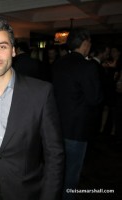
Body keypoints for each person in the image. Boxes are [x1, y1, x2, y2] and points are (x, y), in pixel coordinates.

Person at [0, 17, 64, 200]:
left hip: (27, 193)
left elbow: (54, 155)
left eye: (2, 46)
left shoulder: (41, 92)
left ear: (13, 50)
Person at [52, 28, 103, 200]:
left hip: (57, 125)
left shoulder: (58, 63)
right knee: (72, 172)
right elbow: (94, 98)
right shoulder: (88, 66)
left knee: (58, 169)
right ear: (85, 44)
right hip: (77, 128)